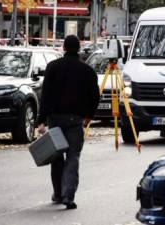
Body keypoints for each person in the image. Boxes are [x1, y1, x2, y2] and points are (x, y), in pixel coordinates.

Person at [37, 35, 100, 209]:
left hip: (55, 119)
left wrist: (40, 120)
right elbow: (95, 96)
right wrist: (89, 116)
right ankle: (68, 195)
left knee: (56, 157)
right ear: (79, 48)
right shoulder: (87, 70)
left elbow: (45, 96)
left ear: (64, 48)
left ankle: (57, 193)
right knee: (73, 157)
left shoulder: (52, 67)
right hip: (75, 120)